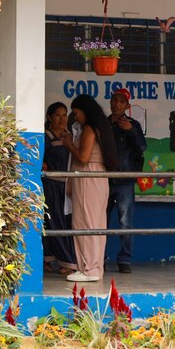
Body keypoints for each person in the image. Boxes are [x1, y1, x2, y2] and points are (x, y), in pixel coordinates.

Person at [62, 94, 119, 282]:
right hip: (94, 178)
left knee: (85, 222)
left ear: (85, 111)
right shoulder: (99, 127)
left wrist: (69, 144)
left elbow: (84, 157)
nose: (75, 116)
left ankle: (89, 269)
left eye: (76, 113)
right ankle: (91, 267)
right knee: (93, 222)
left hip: (88, 177)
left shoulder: (89, 129)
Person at [108, 88, 147, 274]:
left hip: (124, 181)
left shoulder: (133, 124)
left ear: (127, 106)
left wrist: (131, 131)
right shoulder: (104, 124)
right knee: (99, 221)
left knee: (125, 222)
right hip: (102, 179)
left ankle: (124, 260)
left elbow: (142, 147)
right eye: (114, 100)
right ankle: (98, 258)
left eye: (121, 101)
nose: (117, 104)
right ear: (110, 102)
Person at [41, 102, 77, 275]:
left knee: (65, 222)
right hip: (51, 185)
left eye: (65, 115)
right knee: (54, 222)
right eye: (57, 115)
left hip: (68, 185)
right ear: (49, 117)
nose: (62, 119)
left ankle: (54, 258)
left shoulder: (71, 136)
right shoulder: (46, 137)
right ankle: (66, 262)